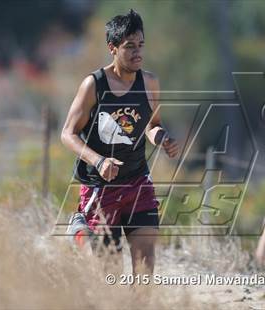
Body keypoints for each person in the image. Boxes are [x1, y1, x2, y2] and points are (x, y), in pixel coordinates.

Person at [61, 9, 179, 275]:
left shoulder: (149, 83)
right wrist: (98, 160)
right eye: (129, 46)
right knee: (109, 273)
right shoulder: (94, 85)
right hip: (100, 188)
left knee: (145, 264)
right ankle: (81, 230)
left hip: (137, 180)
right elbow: (67, 133)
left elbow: (152, 124)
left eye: (141, 45)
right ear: (112, 48)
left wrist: (163, 138)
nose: (138, 52)